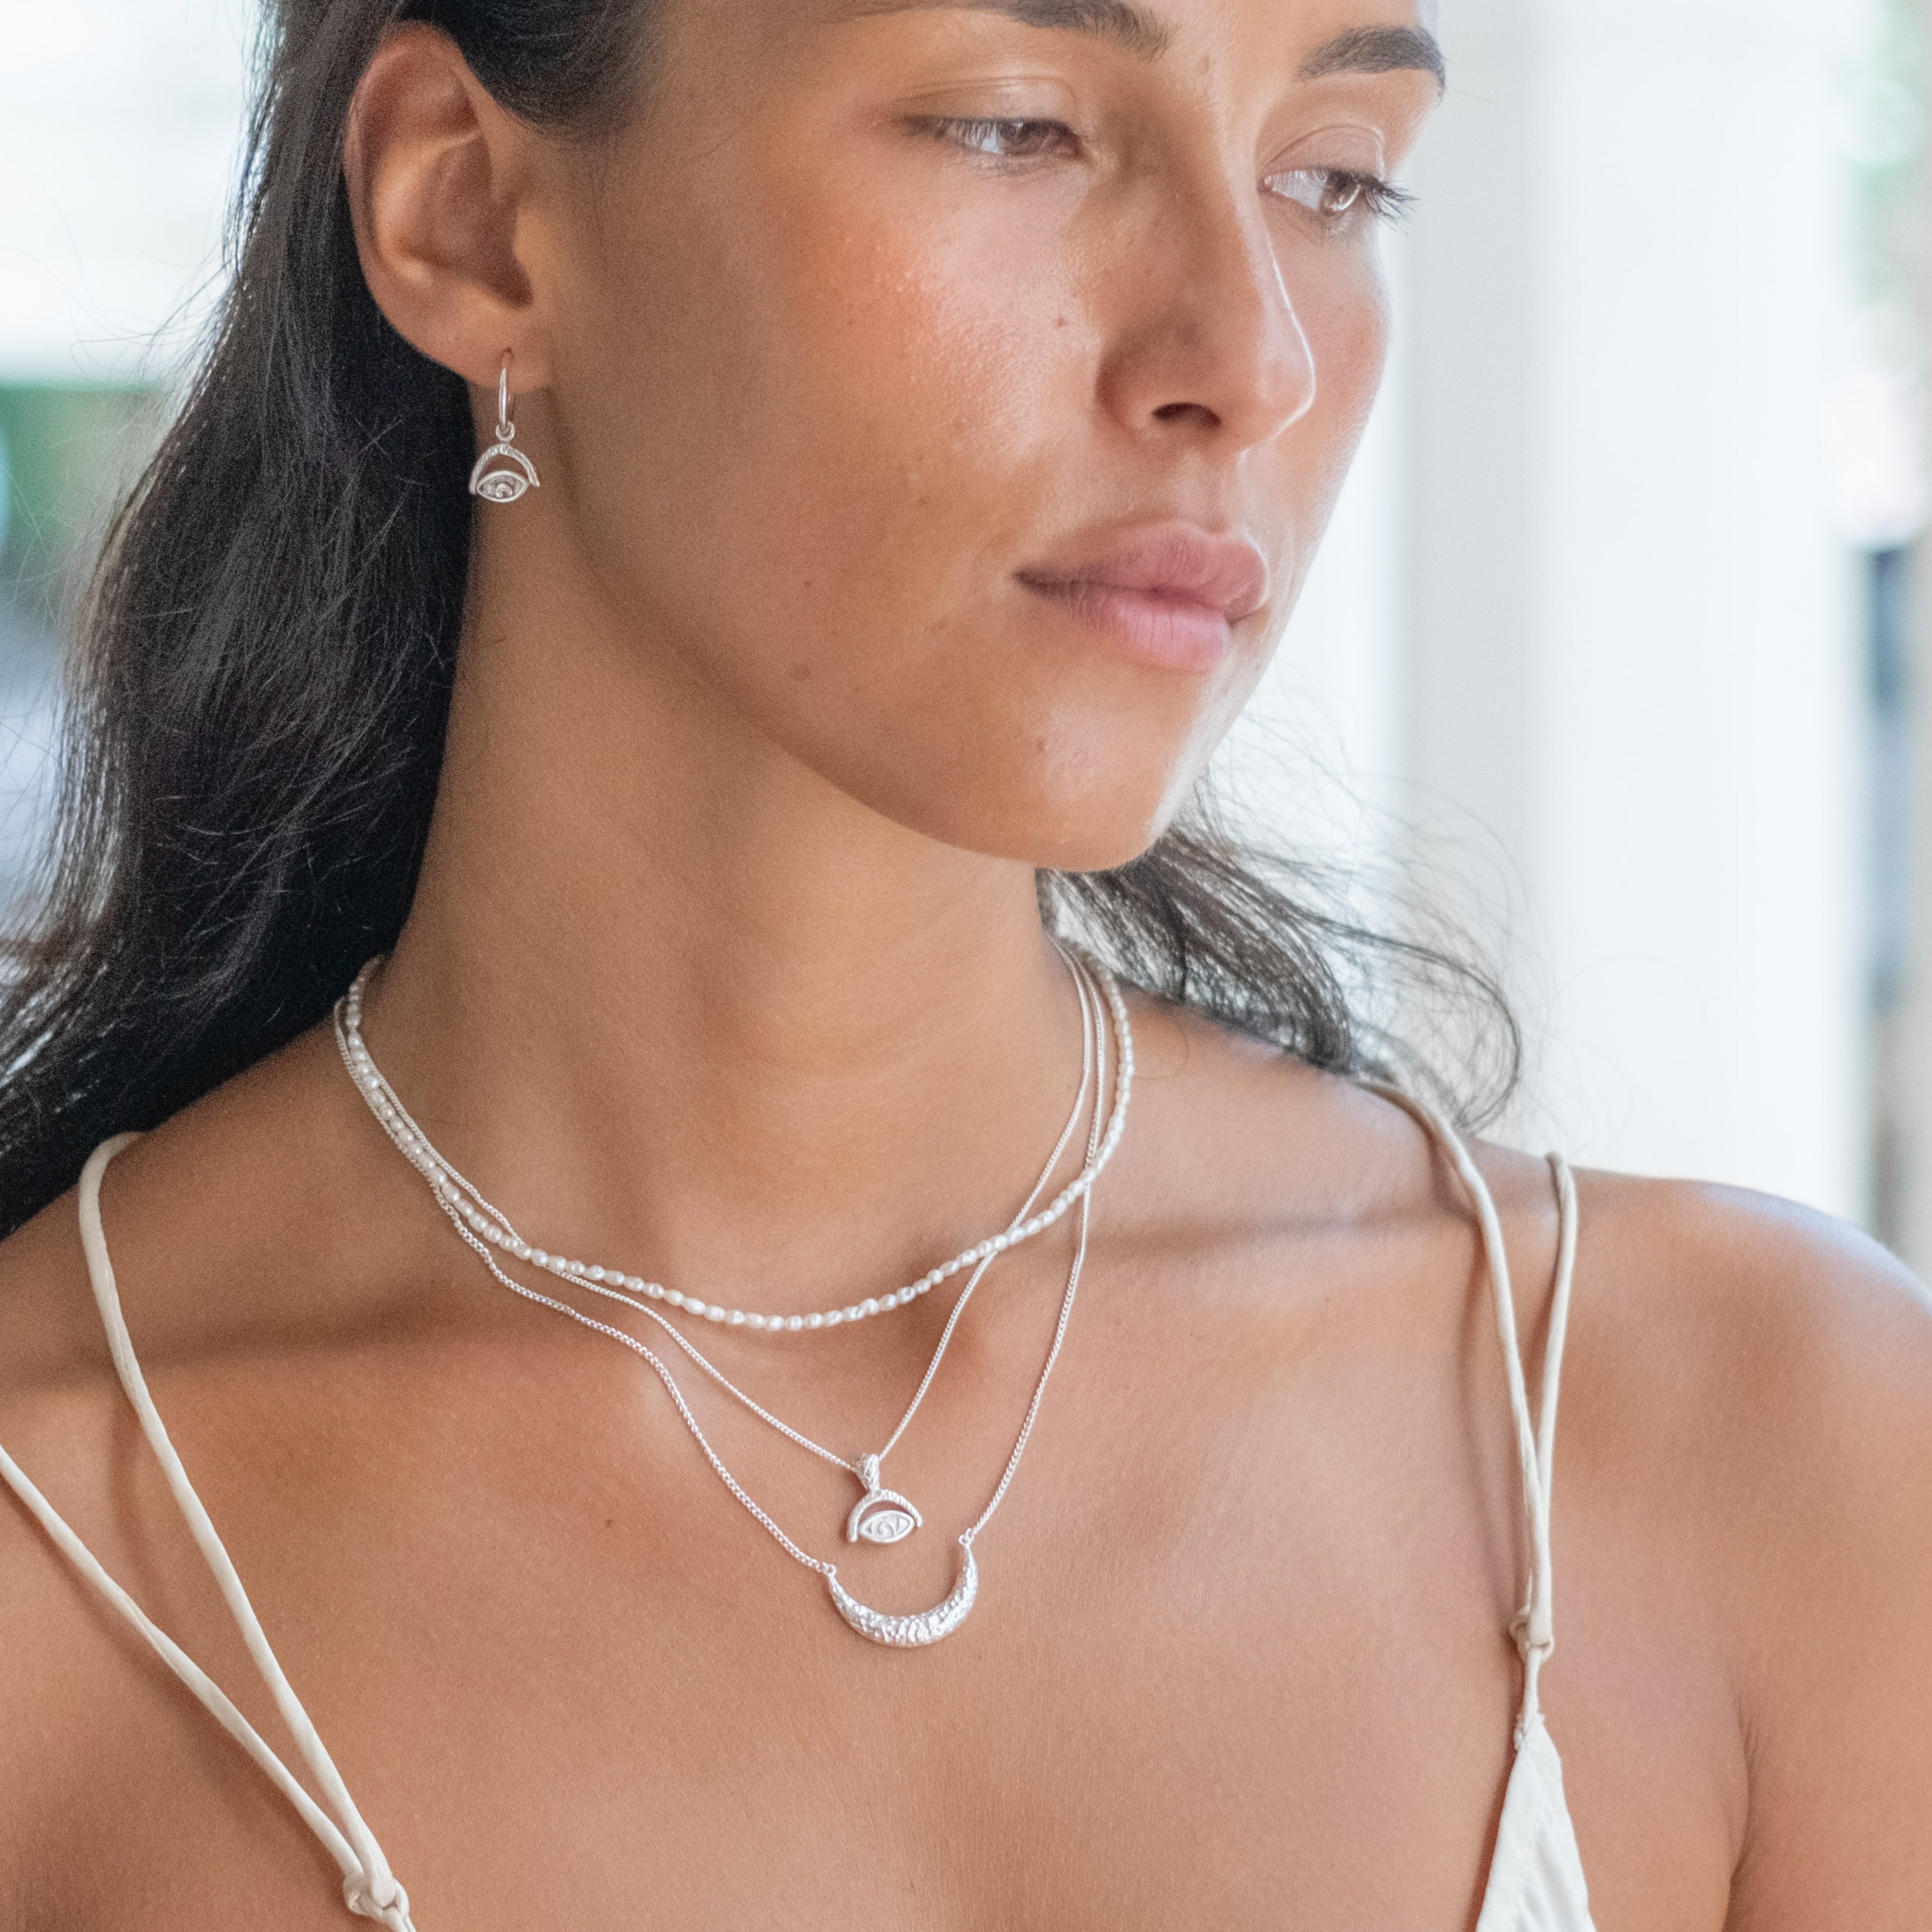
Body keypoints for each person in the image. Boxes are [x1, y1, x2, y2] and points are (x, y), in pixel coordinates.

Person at [1, 0, 1928, 1924]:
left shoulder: (1766, 1463)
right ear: (471, 217)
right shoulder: (60, 1567)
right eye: (1018, 128)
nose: (1248, 359)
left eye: (1334, 176)